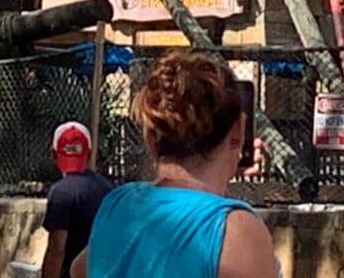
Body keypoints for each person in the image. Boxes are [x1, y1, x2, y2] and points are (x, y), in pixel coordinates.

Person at [71, 53, 275, 278]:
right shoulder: (236, 231)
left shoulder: (117, 205)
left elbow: (79, 270)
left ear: (150, 139)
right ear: (237, 131)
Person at [39, 123, 113, 278]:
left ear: (53, 154)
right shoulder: (109, 190)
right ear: (90, 153)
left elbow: (57, 248)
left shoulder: (61, 192)